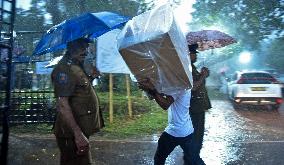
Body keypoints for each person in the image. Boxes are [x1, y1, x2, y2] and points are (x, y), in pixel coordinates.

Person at [51, 38, 103, 165]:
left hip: (80, 129)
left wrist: (91, 77)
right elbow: (62, 104)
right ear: (70, 46)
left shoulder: (76, 66)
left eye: (86, 47)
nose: (85, 51)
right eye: (81, 47)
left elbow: (79, 90)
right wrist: (78, 134)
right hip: (72, 133)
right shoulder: (64, 69)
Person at [138, 78, 201, 165]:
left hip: (174, 132)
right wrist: (149, 89)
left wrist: (152, 89)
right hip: (188, 131)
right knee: (195, 159)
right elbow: (159, 95)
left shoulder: (178, 87)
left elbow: (165, 104)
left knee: (159, 158)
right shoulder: (186, 85)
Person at [187, 44, 212, 164]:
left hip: (197, 108)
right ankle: (193, 160)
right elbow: (193, 87)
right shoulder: (187, 68)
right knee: (196, 137)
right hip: (194, 109)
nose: (195, 55)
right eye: (193, 53)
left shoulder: (192, 67)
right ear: (188, 54)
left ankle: (192, 158)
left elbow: (199, 84)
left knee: (197, 136)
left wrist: (203, 75)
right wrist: (203, 76)